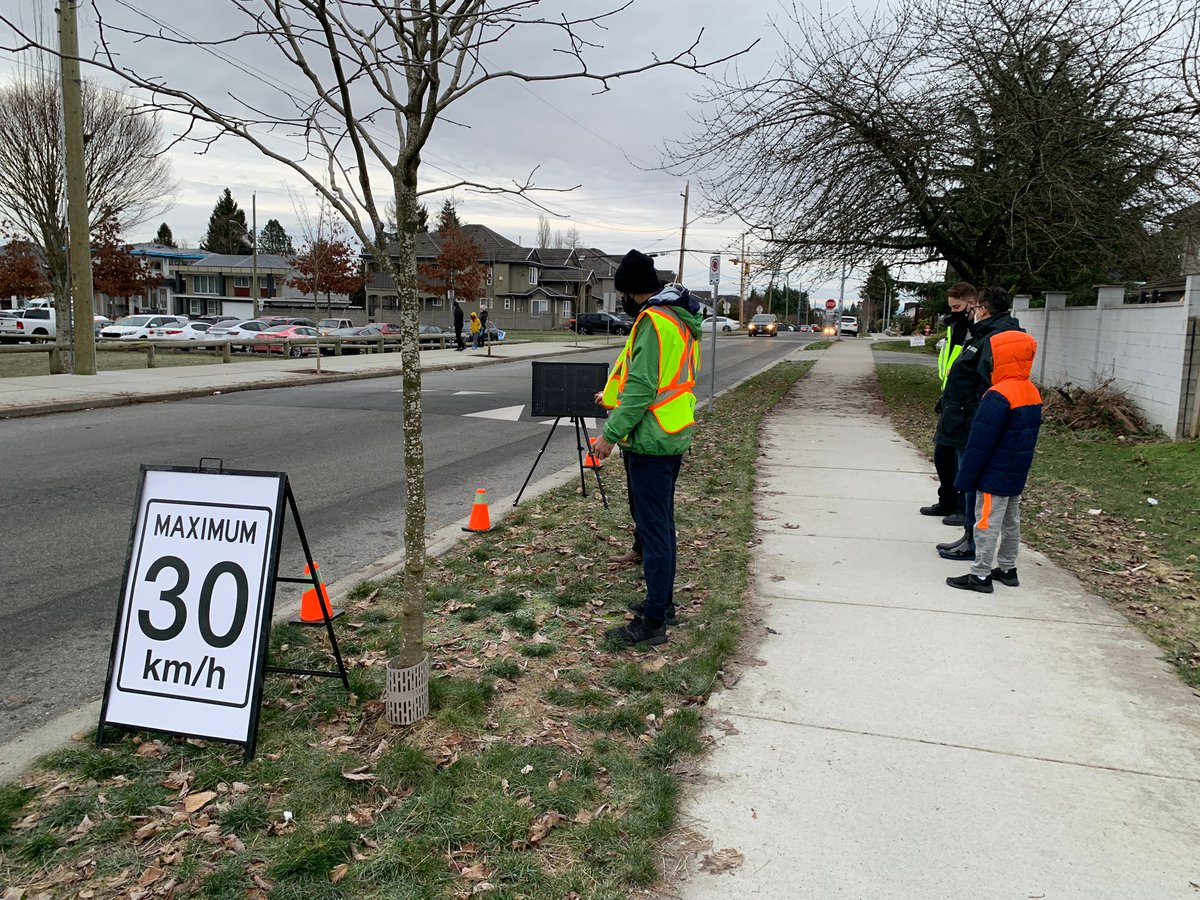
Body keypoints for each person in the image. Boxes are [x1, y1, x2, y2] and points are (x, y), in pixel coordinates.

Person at [592, 249, 701, 647]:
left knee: (655, 530)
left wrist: (609, 437)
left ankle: (654, 622)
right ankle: (663, 602)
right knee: (661, 524)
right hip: (669, 432)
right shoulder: (677, 319)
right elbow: (655, 381)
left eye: (621, 292)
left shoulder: (652, 322)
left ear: (630, 291)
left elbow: (641, 389)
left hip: (652, 439)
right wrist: (611, 397)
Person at [946, 326, 1041, 592]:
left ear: (1001, 358)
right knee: (1011, 522)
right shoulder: (1031, 391)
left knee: (986, 521)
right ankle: (1008, 568)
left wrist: (965, 479)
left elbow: (979, 443)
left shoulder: (997, 395)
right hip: (1016, 470)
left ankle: (980, 575)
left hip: (992, 472)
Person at [936, 285, 1026, 561]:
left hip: (973, 419)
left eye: (974, 309)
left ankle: (974, 544)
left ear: (982, 308)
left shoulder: (993, 339)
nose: (971, 314)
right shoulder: (984, 335)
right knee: (965, 476)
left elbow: (989, 383)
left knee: (973, 481)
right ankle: (969, 537)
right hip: (963, 415)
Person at [921, 282, 977, 524]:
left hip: (967, 402)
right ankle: (947, 502)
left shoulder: (977, 331)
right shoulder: (955, 328)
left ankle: (963, 508)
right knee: (942, 455)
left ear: (972, 304)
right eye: (951, 306)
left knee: (960, 457)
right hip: (950, 399)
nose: (953, 311)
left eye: (957, 306)